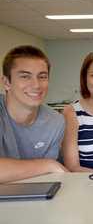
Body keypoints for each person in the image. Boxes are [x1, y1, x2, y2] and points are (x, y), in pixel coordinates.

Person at [0, 45, 67, 183]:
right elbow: (48, 168)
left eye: (42, 76)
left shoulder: (55, 121)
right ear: (6, 82)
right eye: (25, 76)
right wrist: (48, 165)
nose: (36, 85)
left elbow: (47, 178)